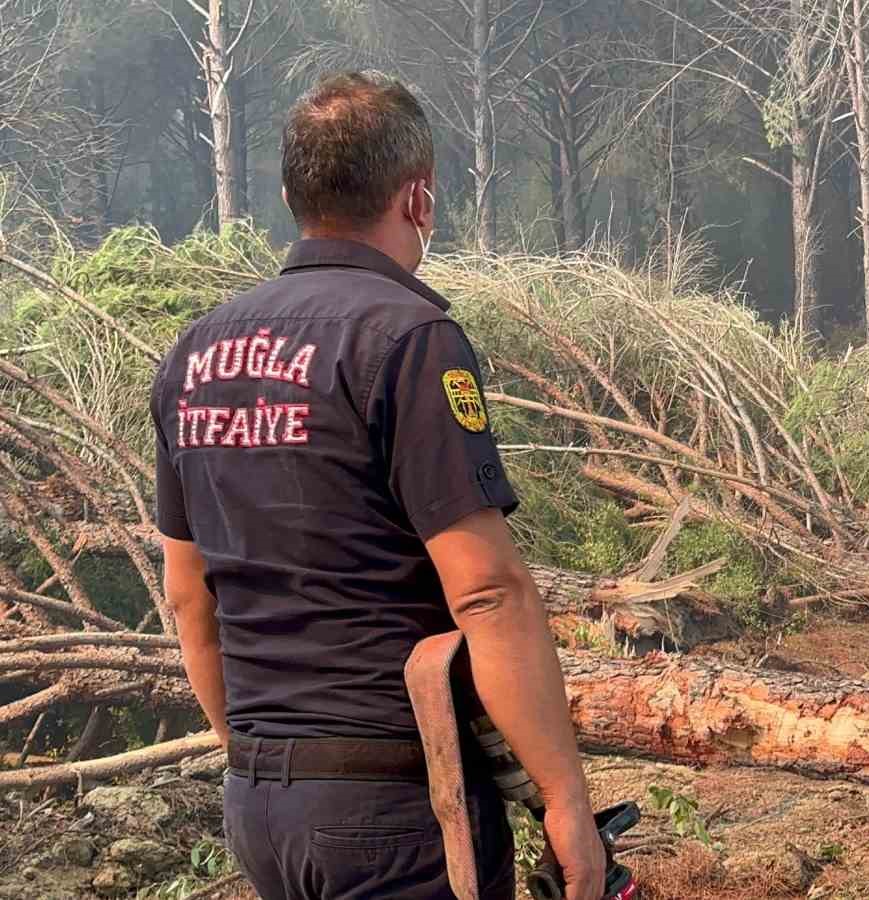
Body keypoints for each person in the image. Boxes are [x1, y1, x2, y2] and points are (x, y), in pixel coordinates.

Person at [150, 70, 606, 900]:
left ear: (293, 194)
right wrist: (566, 800)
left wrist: (257, 757)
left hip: (259, 805)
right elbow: (489, 595)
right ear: (419, 200)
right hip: (396, 808)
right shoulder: (407, 339)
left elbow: (189, 597)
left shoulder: (193, 354)